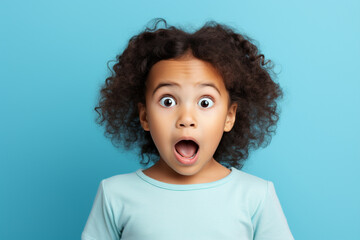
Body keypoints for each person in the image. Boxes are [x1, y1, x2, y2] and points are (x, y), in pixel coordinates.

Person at [81, 18, 294, 240]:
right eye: (168, 101)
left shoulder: (256, 196)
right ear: (144, 116)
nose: (186, 119)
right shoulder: (115, 194)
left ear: (229, 116)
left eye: (205, 102)